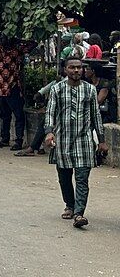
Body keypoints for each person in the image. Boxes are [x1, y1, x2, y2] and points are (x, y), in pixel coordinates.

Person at [44, 57, 108, 229]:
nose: (76, 71)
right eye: (72, 67)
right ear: (66, 70)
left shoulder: (90, 90)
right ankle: (70, 205)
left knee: (82, 178)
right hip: (63, 140)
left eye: (79, 67)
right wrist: (49, 132)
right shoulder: (57, 89)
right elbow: (50, 113)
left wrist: (101, 141)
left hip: (84, 140)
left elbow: (96, 116)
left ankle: (79, 213)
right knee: (64, 177)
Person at [0, 36, 35, 151]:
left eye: (7, 39)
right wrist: (0, 38)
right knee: (4, 116)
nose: (5, 41)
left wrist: (18, 41)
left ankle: (18, 141)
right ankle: (4, 139)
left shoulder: (17, 49)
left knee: (18, 115)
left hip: (12, 86)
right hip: (0, 88)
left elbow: (33, 44)